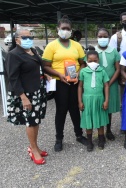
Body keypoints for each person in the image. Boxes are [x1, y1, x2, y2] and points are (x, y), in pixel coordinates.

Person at [42, 15, 88, 152]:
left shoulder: (76, 45)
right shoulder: (52, 46)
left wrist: (80, 73)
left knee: (75, 109)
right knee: (61, 110)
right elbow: (45, 65)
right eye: (63, 28)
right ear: (58, 29)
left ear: (71, 30)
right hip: (60, 82)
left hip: (74, 82)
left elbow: (83, 63)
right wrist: (59, 74)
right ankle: (59, 139)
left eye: (68, 29)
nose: (65, 31)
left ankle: (79, 135)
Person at [6, 30, 50, 165]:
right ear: (17, 39)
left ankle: (34, 146)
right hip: (26, 93)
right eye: (25, 37)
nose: (29, 39)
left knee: (36, 120)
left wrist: (45, 75)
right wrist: (23, 97)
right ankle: (33, 150)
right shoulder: (13, 55)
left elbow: (38, 66)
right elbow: (13, 78)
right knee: (31, 121)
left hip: (37, 91)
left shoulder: (31, 50)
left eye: (31, 36)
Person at [78, 48, 110, 151]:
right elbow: (79, 87)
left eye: (95, 60)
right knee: (88, 120)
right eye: (90, 61)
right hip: (87, 100)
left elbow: (106, 86)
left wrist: (106, 100)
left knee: (100, 120)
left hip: (99, 99)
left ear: (98, 60)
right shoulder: (83, 71)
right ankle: (89, 141)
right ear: (86, 61)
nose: (92, 62)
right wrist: (80, 101)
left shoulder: (102, 71)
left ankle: (101, 140)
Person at [95, 28, 121, 141]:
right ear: (97, 37)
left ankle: (109, 130)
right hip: (98, 85)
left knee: (108, 107)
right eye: (100, 36)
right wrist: (101, 84)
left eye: (105, 36)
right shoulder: (93, 51)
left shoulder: (114, 51)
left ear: (109, 37)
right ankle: (100, 132)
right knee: (99, 107)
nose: (102, 38)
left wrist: (109, 83)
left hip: (112, 84)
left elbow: (118, 69)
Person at [109, 12, 126, 107]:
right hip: (123, 71)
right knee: (123, 99)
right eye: (125, 21)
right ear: (121, 22)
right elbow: (112, 56)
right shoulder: (115, 37)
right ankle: (124, 120)